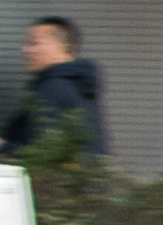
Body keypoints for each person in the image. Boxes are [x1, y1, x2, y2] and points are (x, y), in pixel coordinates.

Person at [6, 16, 108, 158]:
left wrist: (5, 147)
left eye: (34, 43)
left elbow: (44, 154)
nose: (26, 50)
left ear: (64, 47)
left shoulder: (53, 88)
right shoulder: (79, 84)